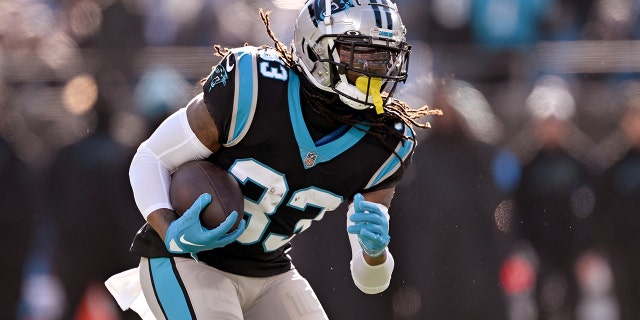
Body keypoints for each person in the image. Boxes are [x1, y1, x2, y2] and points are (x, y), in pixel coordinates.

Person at [106, 1, 439, 319]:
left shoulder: (384, 142)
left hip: (270, 271)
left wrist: (376, 253)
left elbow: (371, 281)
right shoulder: (255, 87)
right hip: (188, 260)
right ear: (315, 48)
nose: (374, 68)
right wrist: (169, 231)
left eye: (383, 55)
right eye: (361, 53)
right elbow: (151, 158)